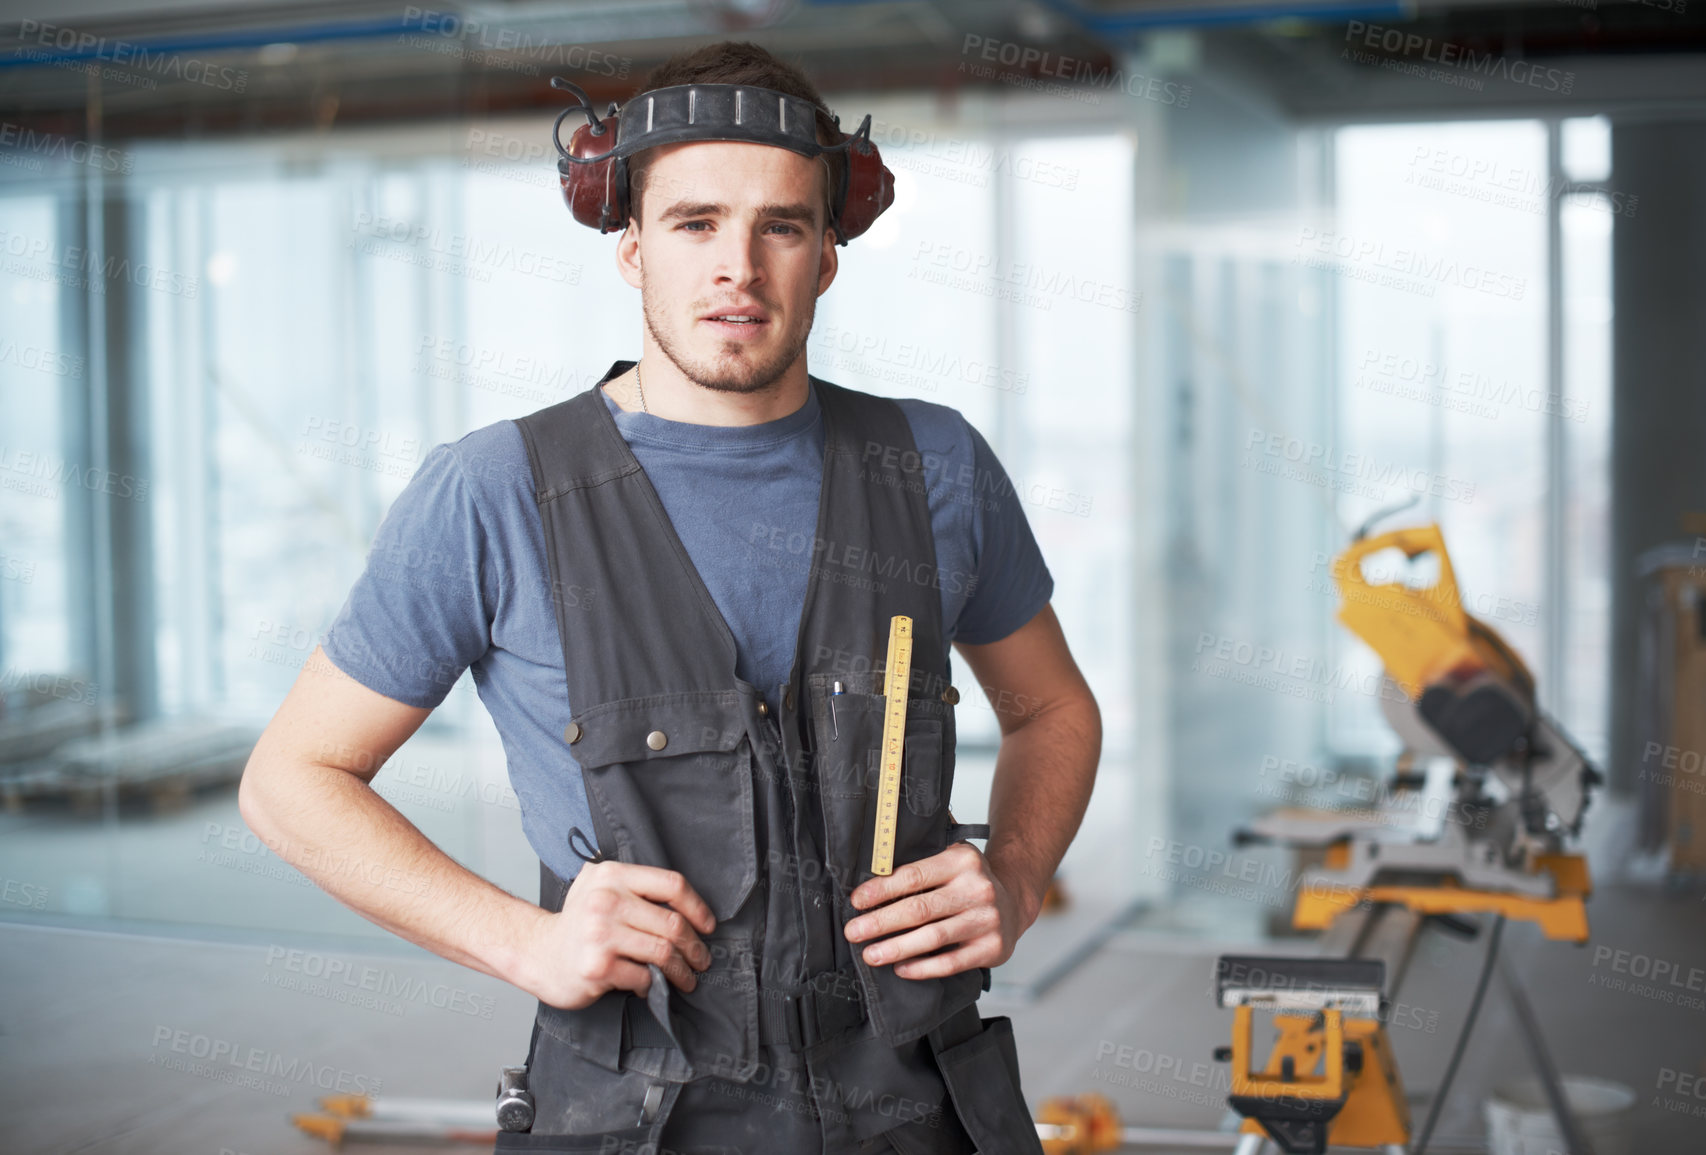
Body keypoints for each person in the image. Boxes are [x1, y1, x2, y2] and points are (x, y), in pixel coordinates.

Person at [239, 39, 1101, 1155]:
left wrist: (1019, 878)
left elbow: (1053, 711)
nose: (736, 266)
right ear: (633, 249)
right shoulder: (496, 493)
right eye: (696, 224)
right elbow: (291, 780)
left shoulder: (935, 467)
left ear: (826, 256)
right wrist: (520, 942)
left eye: (780, 225)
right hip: (633, 1111)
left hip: (917, 1101)